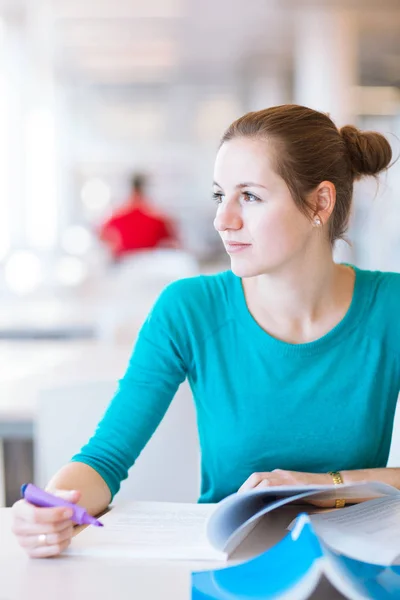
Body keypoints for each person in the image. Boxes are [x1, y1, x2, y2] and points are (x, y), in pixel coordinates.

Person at [12, 105, 400, 558]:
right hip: (228, 561)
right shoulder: (188, 309)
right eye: (220, 196)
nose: (223, 220)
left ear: (319, 202)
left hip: (363, 563)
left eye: (249, 197)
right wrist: (54, 507)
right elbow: (104, 459)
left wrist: (320, 485)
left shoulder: (389, 307)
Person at [98, 174, 178, 260]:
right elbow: (173, 240)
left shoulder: (117, 216)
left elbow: (102, 235)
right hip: (150, 262)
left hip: (126, 262)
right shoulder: (158, 217)